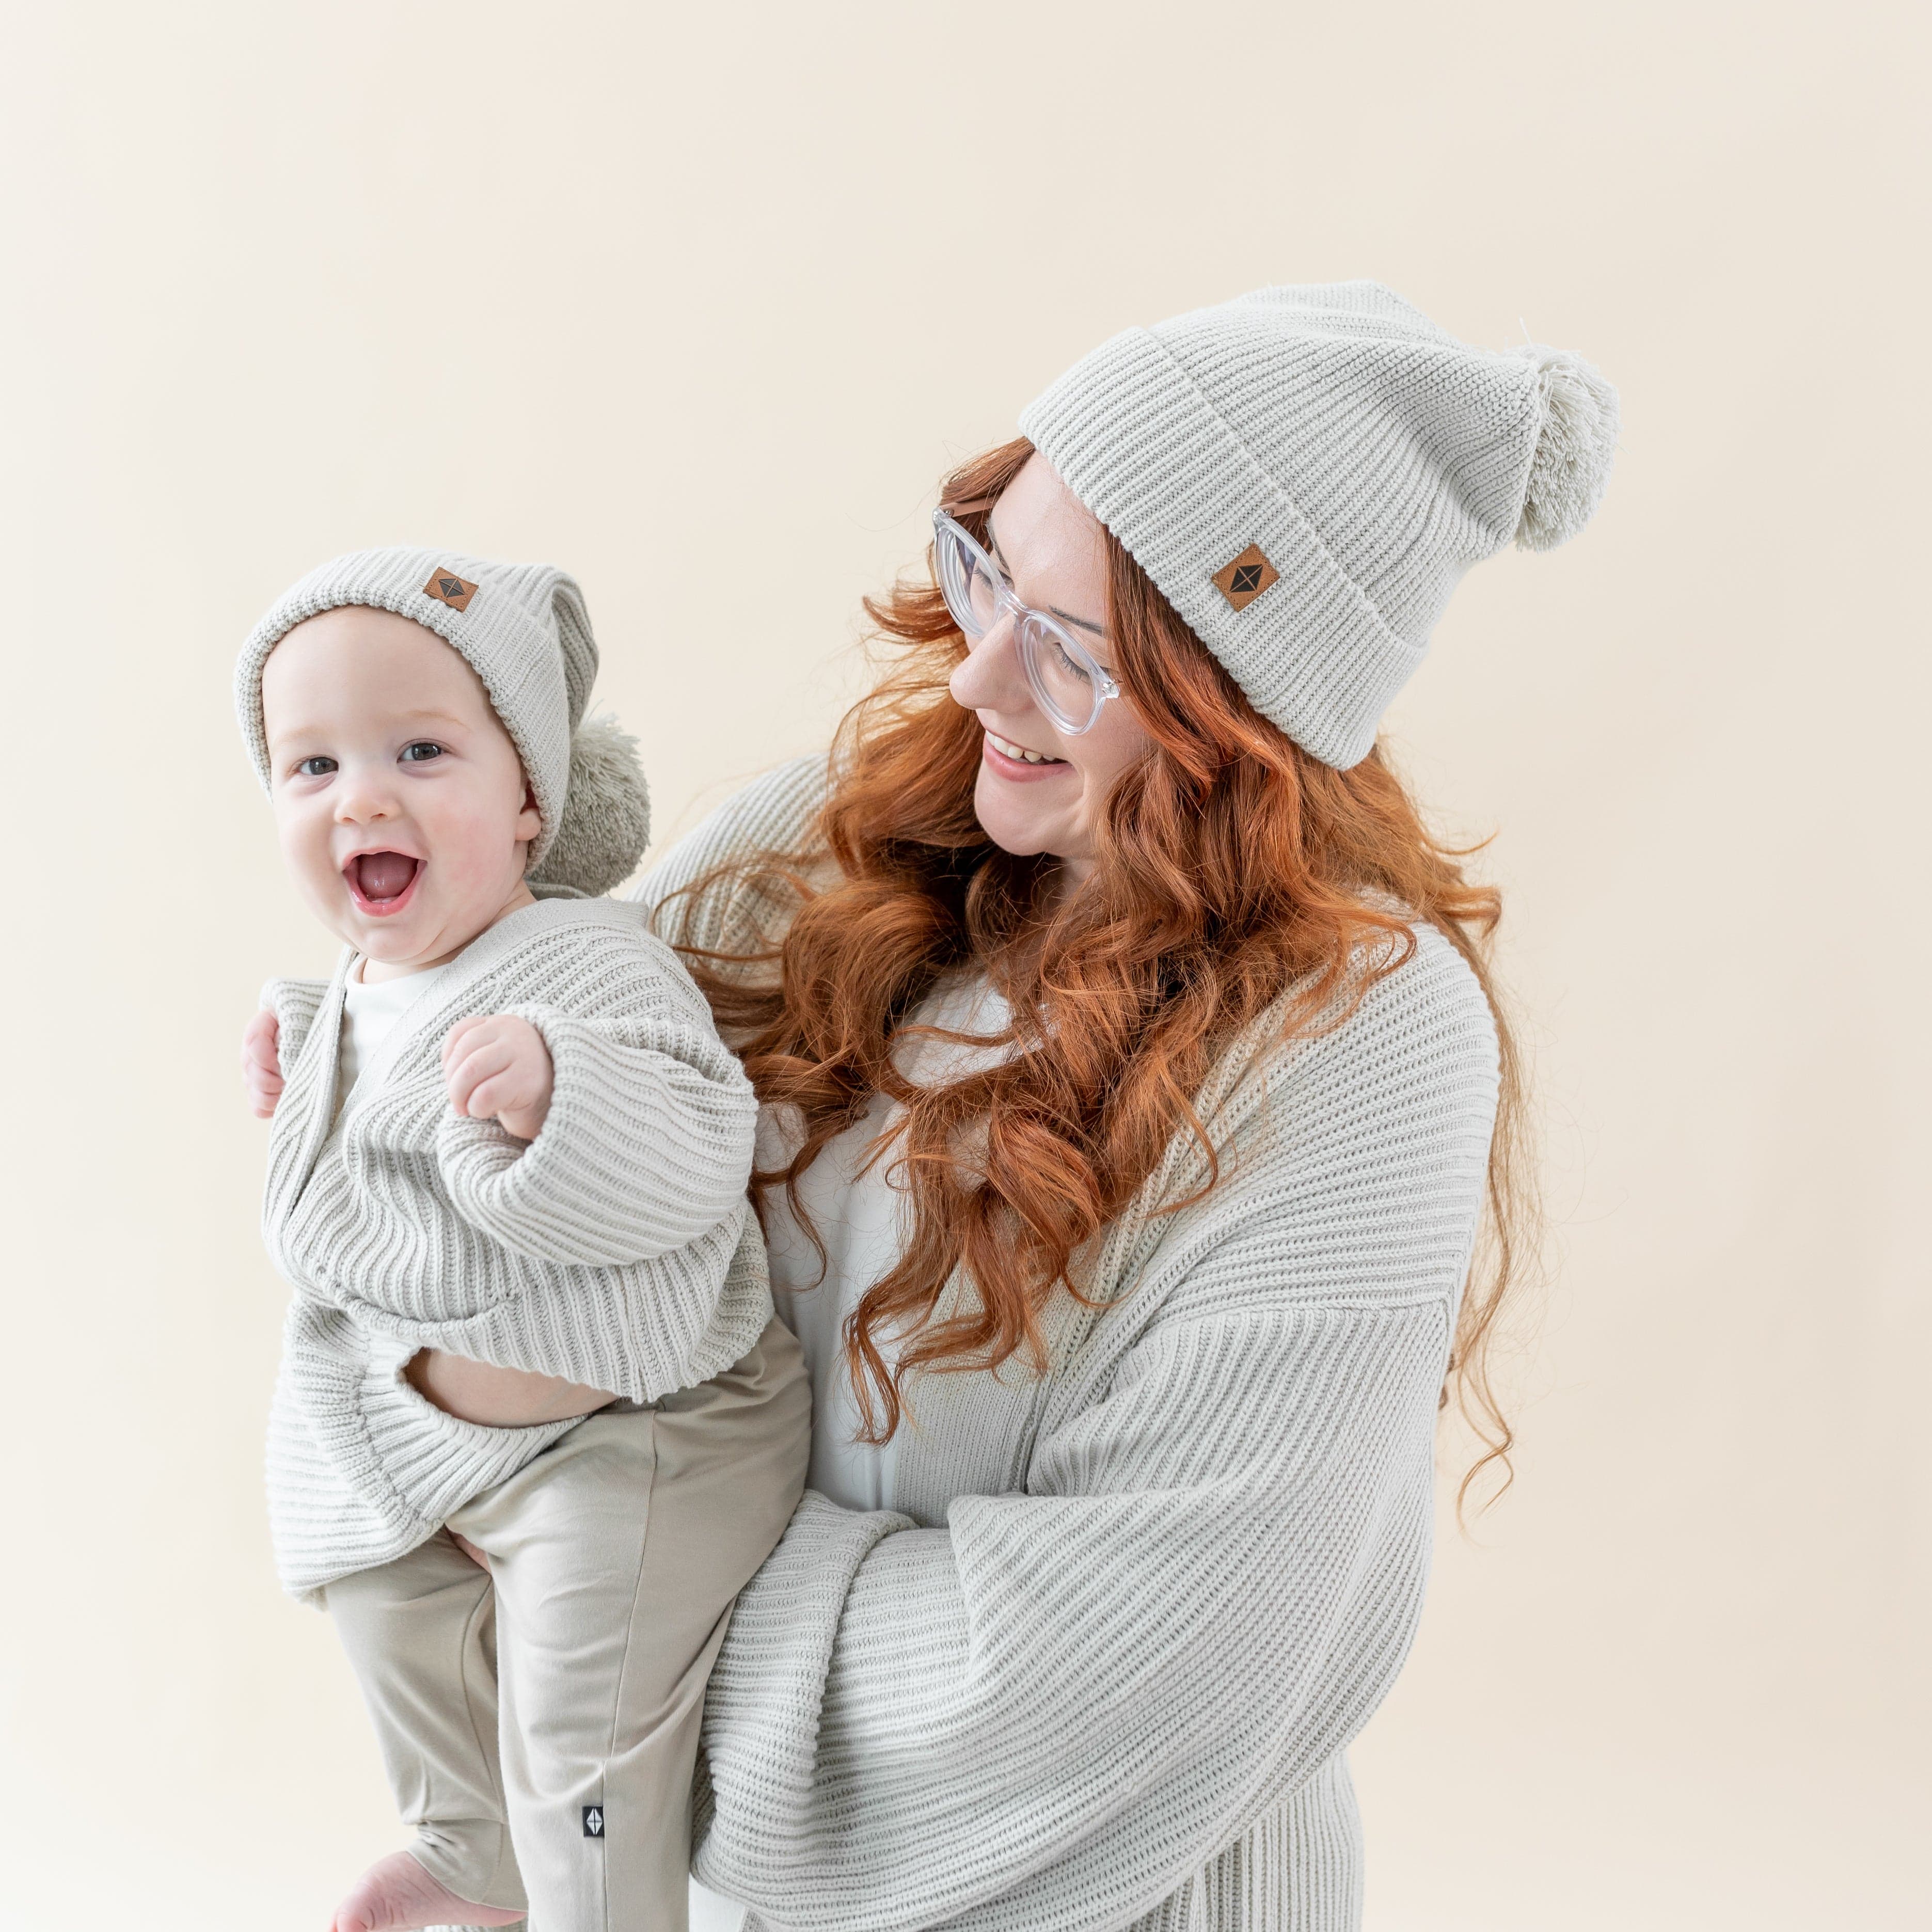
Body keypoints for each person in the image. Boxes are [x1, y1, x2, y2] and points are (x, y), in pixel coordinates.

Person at [638, 281, 1620, 1931]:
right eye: (987, 575)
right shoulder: (836, 842)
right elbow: (508, 1193)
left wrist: (608, 1622)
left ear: (1252, 714)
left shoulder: (1363, 1051)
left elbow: (1094, 1685)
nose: (977, 685)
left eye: (1075, 653)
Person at [233, 549, 810, 1932]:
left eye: (420, 750)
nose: (361, 795)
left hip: (639, 1434)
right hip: (462, 1437)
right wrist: (304, 1053)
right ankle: (470, 1854)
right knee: (373, 1587)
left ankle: (590, 1906)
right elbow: (371, 1139)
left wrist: (567, 1094)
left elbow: (697, 1135)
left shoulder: (579, 965)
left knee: (581, 1735)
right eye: (310, 768)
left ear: (532, 796)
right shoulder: (373, 981)